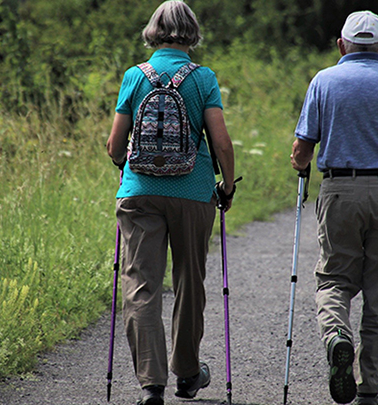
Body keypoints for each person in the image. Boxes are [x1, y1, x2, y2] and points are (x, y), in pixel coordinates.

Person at [289, 10, 378, 405]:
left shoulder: (324, 80)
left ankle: (337, 335)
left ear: (341, 45)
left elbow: (303, 150)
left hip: (340, 191)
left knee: (334, 279)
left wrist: (299, 164)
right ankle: (369, 385)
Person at [106, 1, 236, 404]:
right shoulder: (203, 79)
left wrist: (128, 166)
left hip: (140, 193)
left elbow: (114, 146)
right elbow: (220, 141)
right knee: (188, 282)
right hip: (193, 192)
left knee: (141, 285)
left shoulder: (134, 76)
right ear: (192, 32)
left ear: (153, 31)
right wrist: (226, 187)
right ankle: (187, 373)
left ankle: (151, 383)